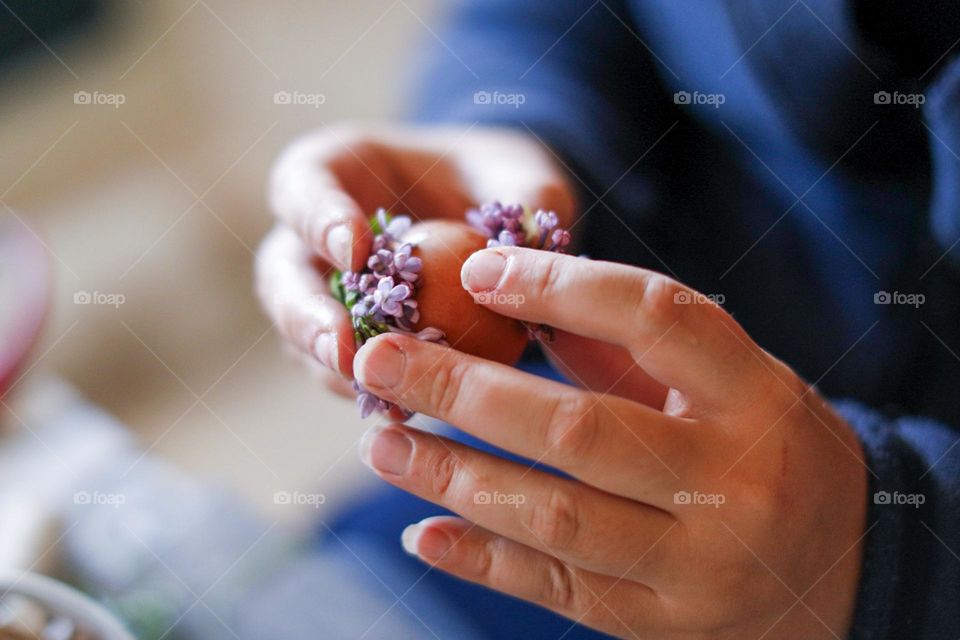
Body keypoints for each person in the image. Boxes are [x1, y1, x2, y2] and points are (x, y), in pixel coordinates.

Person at [256, 2, 960, 638]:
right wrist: (518, 131)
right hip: (599, 397)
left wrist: (903, 556)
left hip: (867, 572)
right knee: (316, 584)